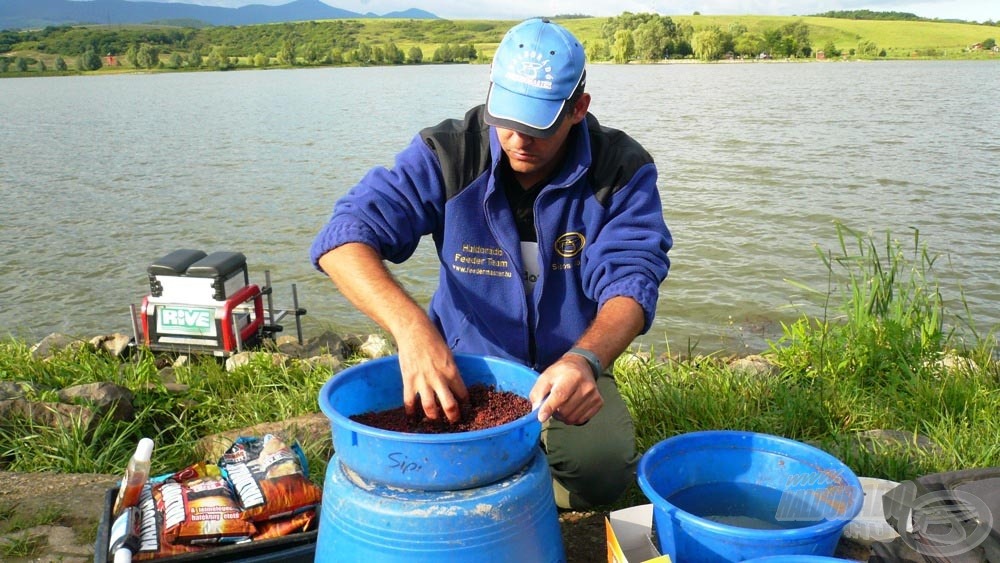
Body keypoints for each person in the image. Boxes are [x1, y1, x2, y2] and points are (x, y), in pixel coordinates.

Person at [310, 18, 672, 509]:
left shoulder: (621, 169)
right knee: (431, 471)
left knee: (601, 473)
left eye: (538, 124)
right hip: (465, 360)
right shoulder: (449, 153)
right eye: (508, 118)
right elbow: (343, 239)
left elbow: (632, 281)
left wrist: (586, 360)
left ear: (578, 109)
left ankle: (540, 476)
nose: (519, 139)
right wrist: (414, 331)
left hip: (567, 361)